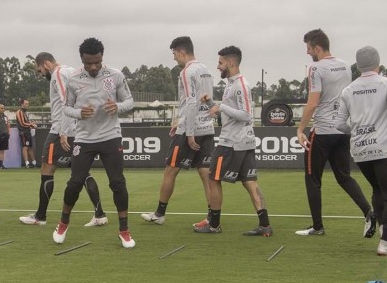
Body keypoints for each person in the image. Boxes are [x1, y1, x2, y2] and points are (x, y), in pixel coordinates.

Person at [53, 37, 135, 248]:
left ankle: (124, 231)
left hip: (110, 135)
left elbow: (129, 102)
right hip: (84, 138)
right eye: (89, 63)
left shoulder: (115, 75)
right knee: (75, 182)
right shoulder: (73, 79)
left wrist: (117, 107)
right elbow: (66, 109)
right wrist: (79, 113)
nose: (93, 67)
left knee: (117, 183)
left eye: (97, 62)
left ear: (102, 58)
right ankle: (63, 223)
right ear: (82, 59)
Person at [295, 29, 372, 236]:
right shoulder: (345, 65)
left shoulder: (315, 68)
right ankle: (368, 212)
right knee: (344, 176)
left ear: (317, 48)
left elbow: (312, 103)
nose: (308, 52)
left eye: (309, 48)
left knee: (312, 179)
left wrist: (301, 129)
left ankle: (317, 227)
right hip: (342, 129)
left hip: (322, 131)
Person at [334, 46, 387, 257]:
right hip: (384, 147)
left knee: (377, 189)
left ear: (358, 66)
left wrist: (357, 131)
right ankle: (386, 242)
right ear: (378, 63)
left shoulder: (348, 90)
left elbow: (339, 124)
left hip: (359, 149)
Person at [18, 52, 107, 227]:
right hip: (80, 130)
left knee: (47, 170)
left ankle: (40, 216)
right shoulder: (72, 70)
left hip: (61, 130)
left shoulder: (58, 73)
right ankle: (100, 214)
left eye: (39, 70)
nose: (40, 74)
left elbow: (67, 101)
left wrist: (64, 131)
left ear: (46, 64)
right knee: (82, 173)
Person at [192, 45, 273, 237]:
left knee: (213, 178)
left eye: (220, 62)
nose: (218, 66)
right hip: (242, 142)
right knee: (250, 182)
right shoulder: (232, 83)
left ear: (230, 62)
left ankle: (214, 224)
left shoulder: (240, 85)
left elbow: (246, 115)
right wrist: (212, 104)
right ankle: (265, 225)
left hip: (232, 142)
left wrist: (220, 108)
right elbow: (230, 110)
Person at [142, 36, 214, 226]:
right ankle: (212, 217)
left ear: (181, 52)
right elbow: (202, 100)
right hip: (207, 128)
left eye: (174, 53)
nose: (174, 58)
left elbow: (191, 101)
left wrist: (188, 130)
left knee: (170, 171)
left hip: (190, 130)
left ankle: (159, 214)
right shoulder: (206, 70)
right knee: (206, 174)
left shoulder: (186, 72)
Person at [16, 98, 36, 168]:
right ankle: (27, 163)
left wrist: (31, 124)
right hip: (23, 132)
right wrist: (31, 125)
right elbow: (22, 123)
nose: (27, 105)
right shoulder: (19, 112)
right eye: (26, 104)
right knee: (25, 147)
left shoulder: (25, 113)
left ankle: (34, 162)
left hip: (27, 131)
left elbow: (26, 123)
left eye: (28, 104)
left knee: (30, 147)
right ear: (22, 104)